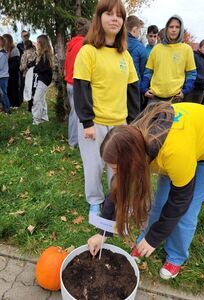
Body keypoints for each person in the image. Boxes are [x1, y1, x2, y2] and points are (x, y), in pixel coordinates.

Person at [88, 101, 204, 280]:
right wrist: (103, 232)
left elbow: (180, 200)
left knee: (187, 209)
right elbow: (118, 188)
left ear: (134, 160)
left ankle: (176, 256)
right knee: (159, 203)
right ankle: (145, 241)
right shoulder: (133, 140)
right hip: (185, 141)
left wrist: (155, 238)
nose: (114, 173)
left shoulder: (173, 154)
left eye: (116, 168)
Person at [73, 0, 140, 215]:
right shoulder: (88, 52)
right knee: (94, 166)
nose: (114, 19)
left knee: (118, 168)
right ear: (99, 18)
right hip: (94, 123)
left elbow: (132, 91)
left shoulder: (125, 56)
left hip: (119, 123)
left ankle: (116, 201)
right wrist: (86, 122)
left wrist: (133, 123)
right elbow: (81, 87)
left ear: (123, 22)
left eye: (119, 16)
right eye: (109, 14)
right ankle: (94, 200)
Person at [140, 15, 196, 103]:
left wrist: (185, 91)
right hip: (154, 98)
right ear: (167, 29)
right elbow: (148, 71)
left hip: (175, 99)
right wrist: (144, 88)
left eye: (177, 27)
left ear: (180, 30)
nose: (174, 30)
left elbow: (191, 74)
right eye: (171, 27)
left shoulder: (187, 49)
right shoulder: (156, 49)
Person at [64, 18, 90, 148]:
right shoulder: (84, 45)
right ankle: (74, 142)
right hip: (77, 83)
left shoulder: (71, 44)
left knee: (73, 112)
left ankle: (73, 140)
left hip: (69, 82)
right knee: (78, 113)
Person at [32, 34, 53, 125]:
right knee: (42, 99)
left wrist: (35, 68)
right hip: (43, 79)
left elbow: (41, 68)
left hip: (44, 80)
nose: (36, 44)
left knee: (37, 99)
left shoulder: (45, 55)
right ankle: (44, 117)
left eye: (38, 42)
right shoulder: (43, 54)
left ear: (42, 43)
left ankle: (36, 120)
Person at [184, 39, 204, 103]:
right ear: (200, 48)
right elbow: (192, 73)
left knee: (196, 110)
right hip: (191, 89)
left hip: (201, 90)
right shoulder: (194, 56)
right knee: (187, 109)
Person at [3, 34, 21, 108]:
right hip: (6, 73)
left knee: (14, 88)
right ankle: (9, 103)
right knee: (8, 89)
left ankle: (15, 104)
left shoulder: (15, 50)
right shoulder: (5, 50)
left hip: (13, 73)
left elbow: (15, 64)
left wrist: (7, 70)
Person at [20, 40, 37, 110]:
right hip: (35, 73)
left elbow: (23, 66)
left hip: (27, 74)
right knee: (34, 89)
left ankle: (30, 106)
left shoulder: (25, 53)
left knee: (28, 89)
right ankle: (35, 104)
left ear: (25, 45)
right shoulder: (36, 52)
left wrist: (20, 69)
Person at [0, 36, 11, 114]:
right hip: (2, 76)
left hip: (3, 76)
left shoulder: (3, 53)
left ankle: (7, 109)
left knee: (3, 93)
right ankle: (4, 107)